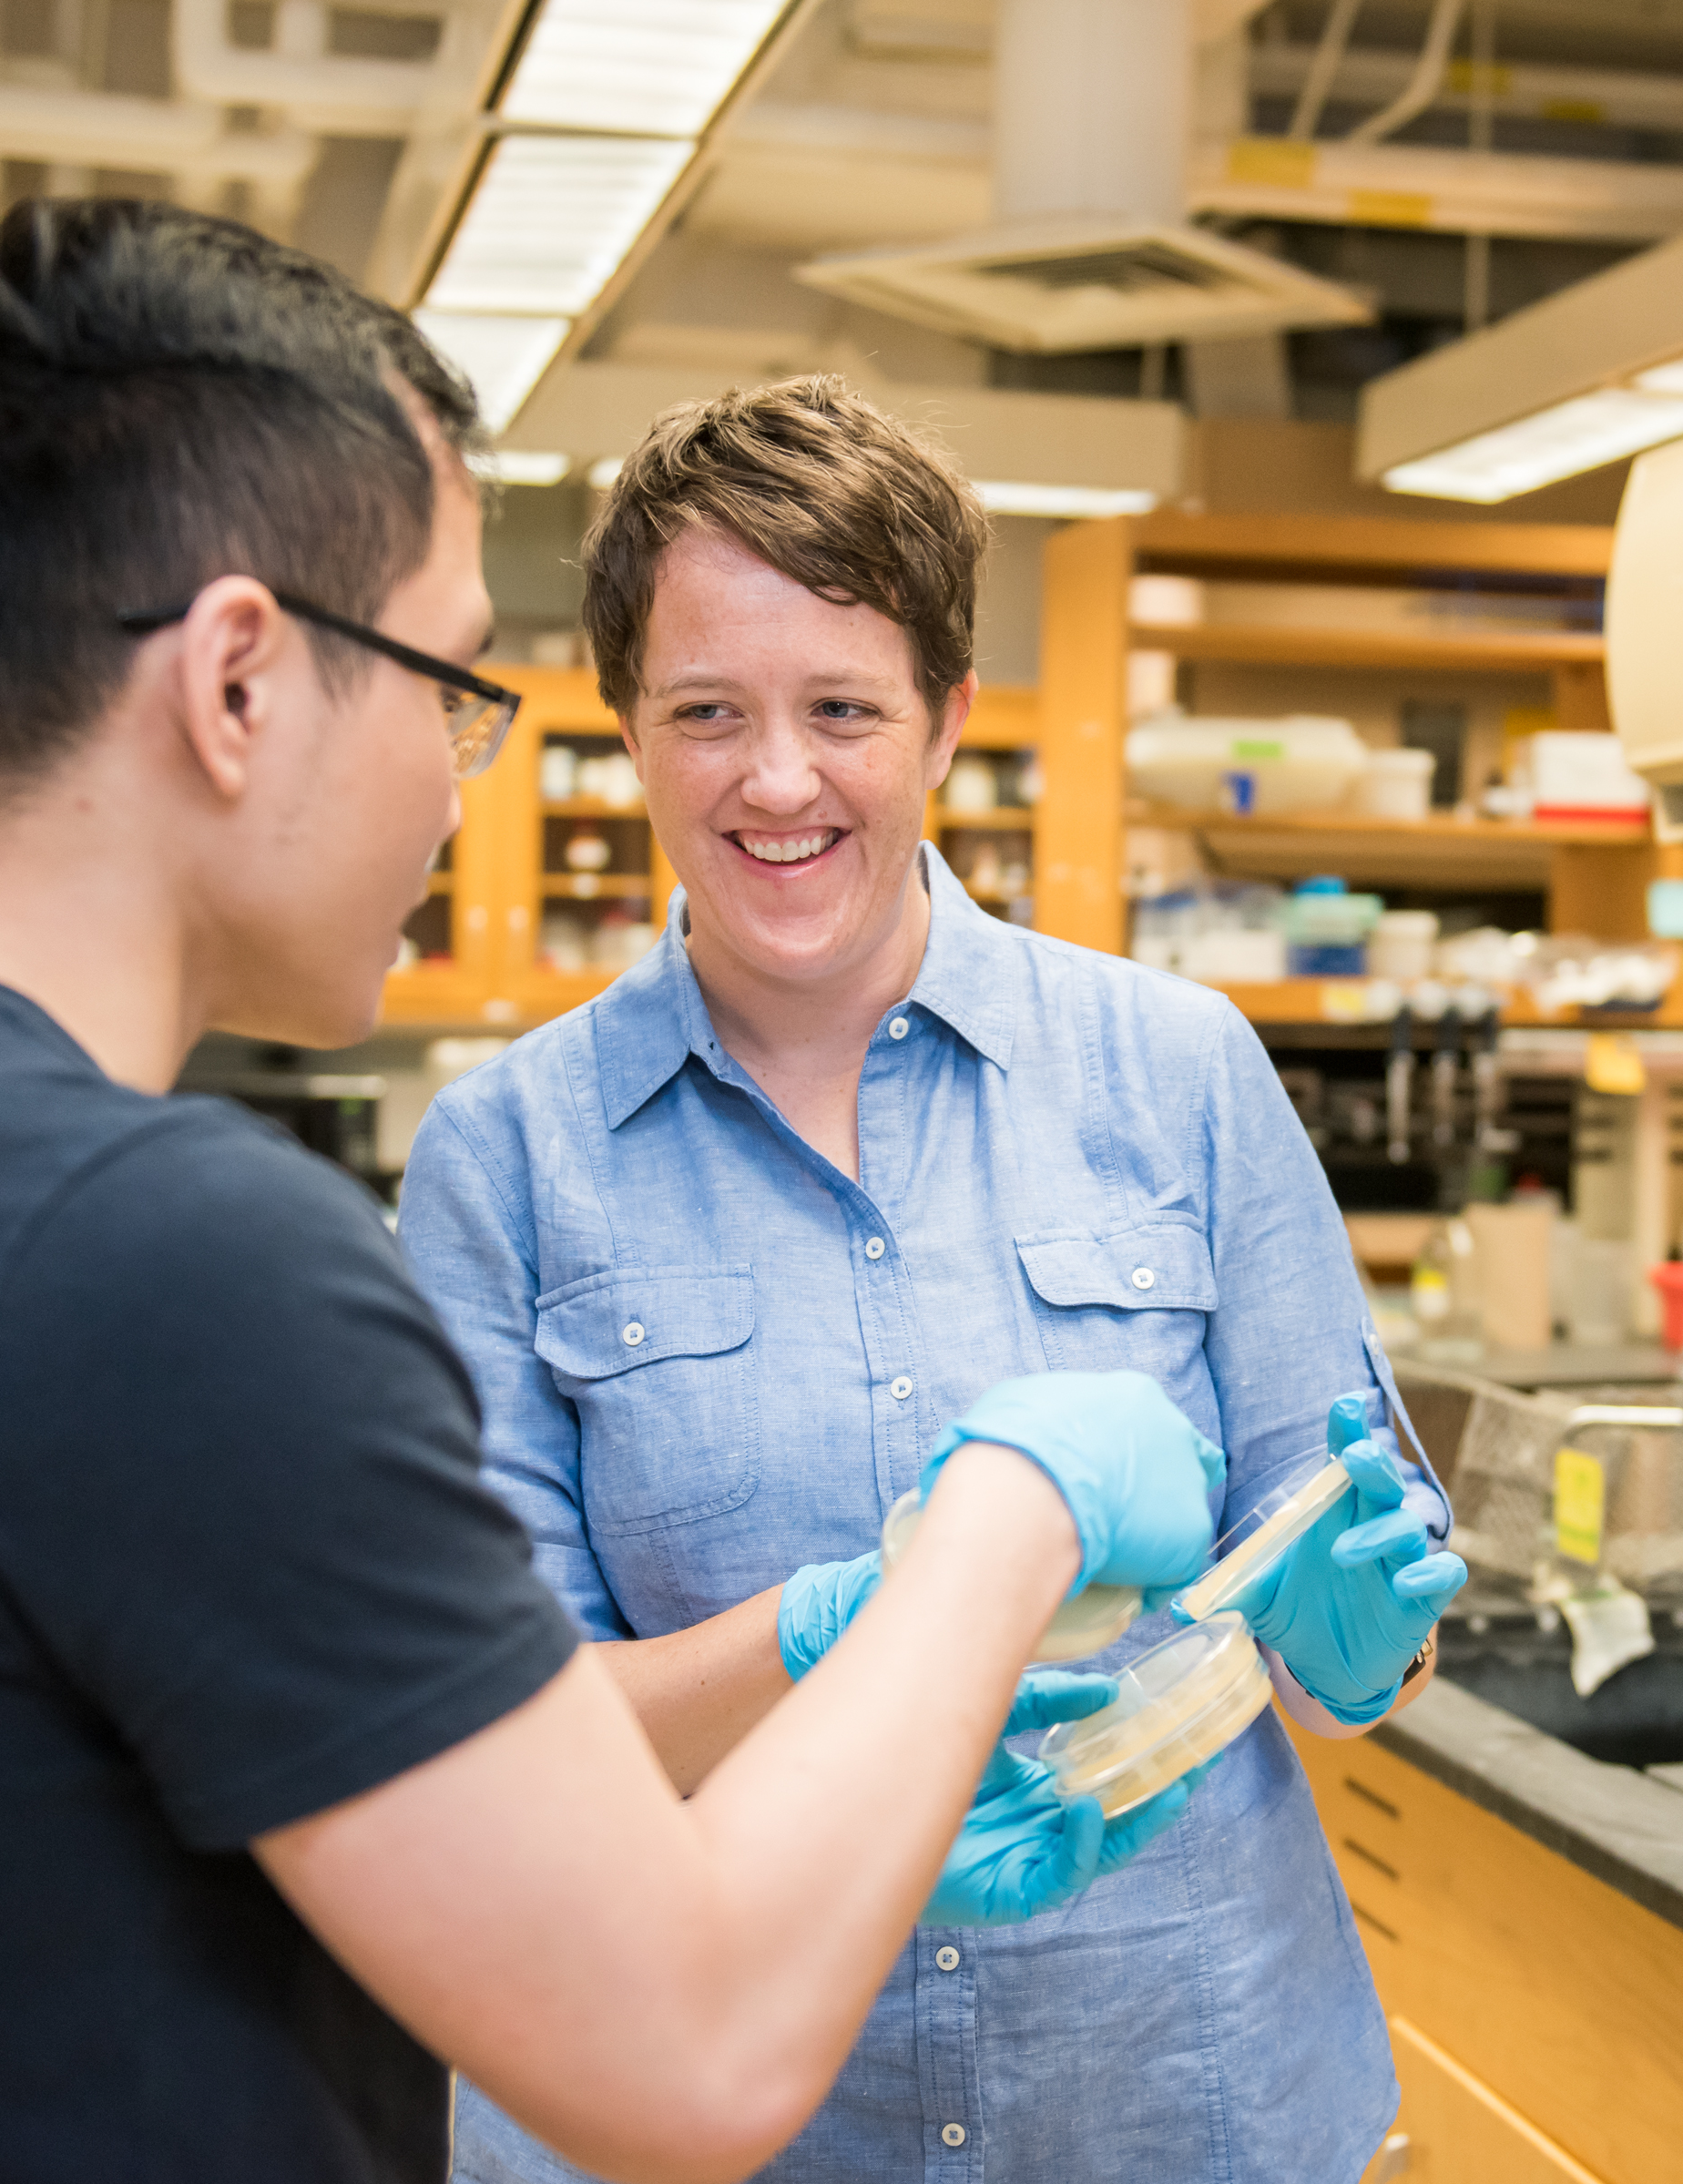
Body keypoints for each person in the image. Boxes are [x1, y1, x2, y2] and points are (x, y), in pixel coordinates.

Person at [0, 202, 1226, 2184]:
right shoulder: (162, 1262)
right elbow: (692, 2043)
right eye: (446, 677)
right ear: (237, 681)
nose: (450, 778)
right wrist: (1004, 1522)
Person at [403, 374, 1472, 2184]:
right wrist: (840, 1627)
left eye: (843, 708)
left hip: (1176, 2111)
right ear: (630, 726)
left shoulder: (1179, 1072)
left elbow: (1340, 1605)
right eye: (707, 712)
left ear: (948, 715)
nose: (778, 778)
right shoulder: (507, 1159)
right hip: (725, 2128)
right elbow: (502, 1748)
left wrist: (1365, 1643)